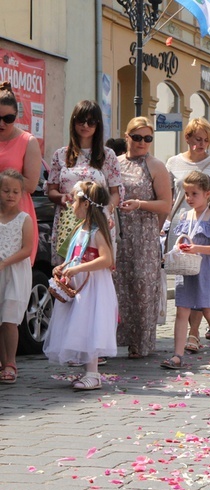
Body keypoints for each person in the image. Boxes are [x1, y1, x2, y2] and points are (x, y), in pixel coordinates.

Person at [43, 182, 118, 390]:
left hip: (92, 286)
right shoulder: (81, 229)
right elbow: (75, 255)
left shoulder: (96, 232)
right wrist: (64, 267)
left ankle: (93, 374)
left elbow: (106, 259)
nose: (71, 205)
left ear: (85, 204)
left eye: (75, 200)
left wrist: (77, 270)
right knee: (81, 326)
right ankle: (88, 371)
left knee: (90, 325)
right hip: (79, 285)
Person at [165, 118, 210, 349]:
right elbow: (169, 195)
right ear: (188, 138)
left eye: (206, 140)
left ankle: (194, 332)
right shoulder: (173, 162)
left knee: (202, 278)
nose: (201, 144)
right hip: (182, 223)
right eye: (197, 139)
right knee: (185, 275)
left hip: (205, 224)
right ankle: (185, 338)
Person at [114, 117, 171, 359]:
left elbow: (165, 204)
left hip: (144, 234)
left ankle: (140, 342)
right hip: (118, 232)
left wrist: (140, 204)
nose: (142, 143)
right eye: (137, 137)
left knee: (143, 288)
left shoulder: (156, 165)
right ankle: (112, 339)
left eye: (148, 138)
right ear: (127, 137)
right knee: (117, 286)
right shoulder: (115, 163)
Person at [161, 171, 210, 369]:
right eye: (187, 194)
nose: (189, 198)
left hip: (206, 270)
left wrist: (196, 248)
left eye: (194, 194)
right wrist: (177, 250)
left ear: (207, 194)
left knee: (209, 311)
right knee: (182, 310)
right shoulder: (185, 216)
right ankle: (177, 354)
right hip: (187, 269)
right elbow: (180, 240)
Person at [48, 100, 121, 266]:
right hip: (69, 218)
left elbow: (115, 192)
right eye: (81, 120)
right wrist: (61, 197)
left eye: (91, 122)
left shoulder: (108, 155)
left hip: (98, 219)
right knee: (68, 271)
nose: (85, 125)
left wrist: (106, 210)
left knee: (96, 268)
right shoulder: (60, 154)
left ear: (98, 125)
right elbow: (51, 189)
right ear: (73, 121)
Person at [0, 82, 41, 264]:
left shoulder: (27, 141)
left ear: (16, 116)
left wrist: (5, 181)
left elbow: (31, 185)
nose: (2, 123)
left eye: (8, 118)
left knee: (13, 281)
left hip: (15, 217)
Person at [0, 170, 33, 384]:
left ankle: (11, 362)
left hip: (14, 273)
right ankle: (2, 362)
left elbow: (27, 249)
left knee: (10, 320)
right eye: (5, 190)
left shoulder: (24, 219)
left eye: (15, 191)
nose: (10, 195)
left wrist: (4, 262)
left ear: (21, 194)